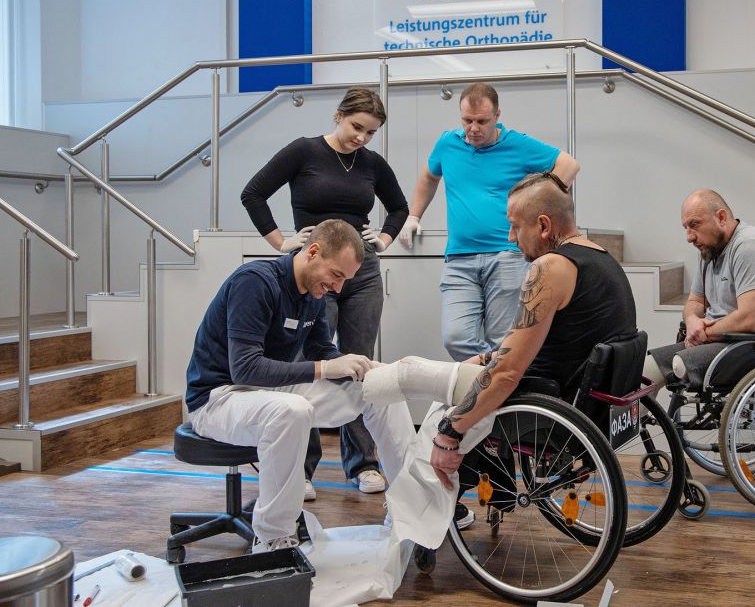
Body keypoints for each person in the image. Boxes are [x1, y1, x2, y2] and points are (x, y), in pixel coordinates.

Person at [183, 220, 415, 552]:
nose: (337, 287)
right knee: (292, 411)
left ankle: (408, 511)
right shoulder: (256, 283)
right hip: (218, 398)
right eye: (336, 275)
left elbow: (322, 350)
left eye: (344, 281)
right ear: (313, 251)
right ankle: (274, 539)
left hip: (269, 392)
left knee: (381, 391)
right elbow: (246, 368)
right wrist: (324, 368)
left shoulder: (313, 294)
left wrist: (355, 367)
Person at [240, 88, 407, 499]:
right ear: (338, 115)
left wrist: (383, 239)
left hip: (361, 272)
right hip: (315, 270)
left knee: (357, 365)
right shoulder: (304, 152)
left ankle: (362, 464)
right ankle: (302, 468)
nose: (362, 139)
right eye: (356, 128)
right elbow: (253, 193)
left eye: (370, 133)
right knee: (310, 360)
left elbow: (399, 207)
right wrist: (282, 243)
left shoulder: (371, 164)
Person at [426, 171, 637, 491]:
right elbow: (549, 343)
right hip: (587, 399)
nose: (511, 237)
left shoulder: (549, 268)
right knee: (460, 371)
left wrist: (448, 433)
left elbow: (507, 373)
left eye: (515, 226)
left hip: (544, 405)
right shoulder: (601, 257)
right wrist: (485, 357)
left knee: (432, 403)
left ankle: (427, 516)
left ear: (543, 225)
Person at [397, 82, 580, 363]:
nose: (473, 128)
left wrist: (538, 203)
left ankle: (499, 396)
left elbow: (569, 165)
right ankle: (494, 378)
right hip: (459, 259)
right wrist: (413, 216)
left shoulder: (517, 144)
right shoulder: (448, 144)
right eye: (467, 121)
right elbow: (429, 177)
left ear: (497, 115)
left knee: (504, 339)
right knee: (456, 337)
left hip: (508, 256)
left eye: (482, 121)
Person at [645, 189, 755, 387]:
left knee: (680, 365)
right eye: (685, 228)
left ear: (722, 217)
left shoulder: (750, 247)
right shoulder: (709, 250)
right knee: (647, 369)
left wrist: (704, 333)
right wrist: (692, 321)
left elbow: (751, 319)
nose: (689, 237)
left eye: (694, 225)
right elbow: (695, 301)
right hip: (724, 341)